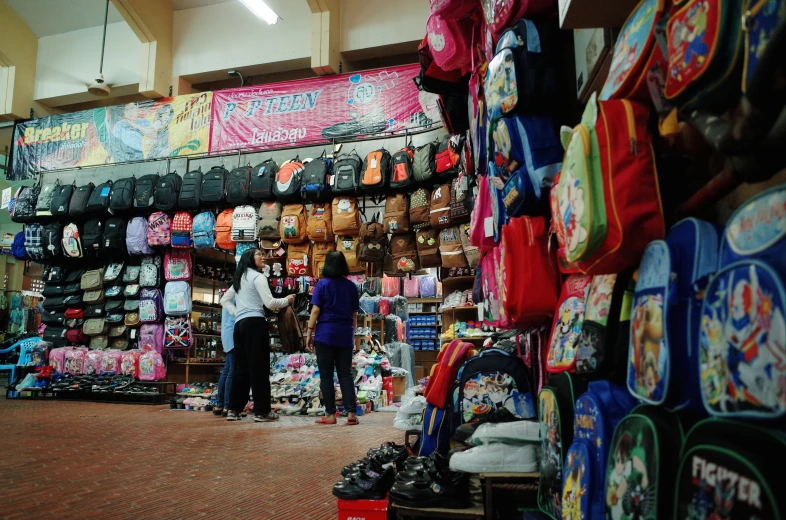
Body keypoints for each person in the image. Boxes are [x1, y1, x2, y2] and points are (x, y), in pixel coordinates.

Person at [220, 249, 294, 422]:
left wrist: (237, 312)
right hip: (255, 324)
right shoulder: (258, 277)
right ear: (250, 259)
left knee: (241, 368)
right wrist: (287, 300)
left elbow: (224, 300)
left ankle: (234, 409)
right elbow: (270, 302)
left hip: (239, 325)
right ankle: (262, 412)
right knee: (259, 369)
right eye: (259, 254)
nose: (263, 257)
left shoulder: (240, 278)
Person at [305, 251, 360, 425]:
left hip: (325, 334)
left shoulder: (322, 285)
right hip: (344, 334)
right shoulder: (351, 286)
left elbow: (315, 311)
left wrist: (309, 333)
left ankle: (330, 415)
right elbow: (354, 314)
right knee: (345, 374)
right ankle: (351, 413)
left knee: (327, 376)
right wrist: (352, 332)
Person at [212, 300, 236, 417]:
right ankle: (228, 405)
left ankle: (219, 404)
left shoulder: (228, 297)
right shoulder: (237, 297)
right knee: (232, 370)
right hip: (233, 334)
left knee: (227, 370)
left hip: (227, 334)